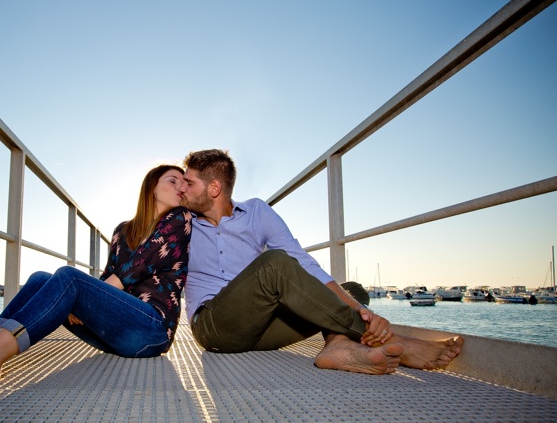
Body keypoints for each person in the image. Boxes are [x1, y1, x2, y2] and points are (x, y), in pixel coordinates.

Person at [0, 165, 191, 390]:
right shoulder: (123, 230)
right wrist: (88, 303)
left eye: (184, 183)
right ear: (151, 185)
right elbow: (108, 276)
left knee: (69, 278)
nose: (181, 188)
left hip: (151, 331)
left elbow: (138, 266)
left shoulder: (181, 219)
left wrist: (82, 299)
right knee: (41, 278)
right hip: (117, 330)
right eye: (173, 180)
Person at [179, 149, 462, 375]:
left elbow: (303, 262)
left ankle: (337, 345)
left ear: (214, 187)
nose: (183, 189)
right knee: (275, 263)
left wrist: (361, 309)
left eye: (189, 183)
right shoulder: (179, 221)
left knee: (351, 289)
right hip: (215, 327)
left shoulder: (256, 212)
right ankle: (395, 341)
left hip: (262, 330)